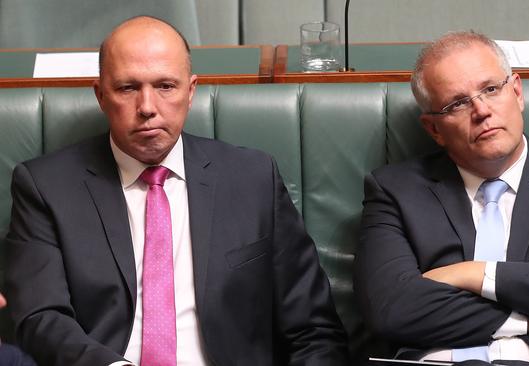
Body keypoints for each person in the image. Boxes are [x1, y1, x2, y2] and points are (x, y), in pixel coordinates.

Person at [5, 16, 348, 366]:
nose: (148, 107)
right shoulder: (46, 187)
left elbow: (313, 329)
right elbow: (40, 317)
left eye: (166, 86)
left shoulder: (253, 178)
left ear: (191, 90)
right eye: (127, 88)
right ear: (101, 95)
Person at [354, 31, 529, 365]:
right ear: (433, 129)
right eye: (457, 103)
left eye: (491, 89)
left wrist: (471, 273)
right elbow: (391, 308)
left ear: (517, 91)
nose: (481, 111)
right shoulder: (394, 190)